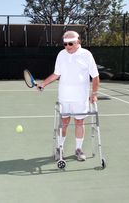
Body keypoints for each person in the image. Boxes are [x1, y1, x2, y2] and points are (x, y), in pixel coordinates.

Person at [39, 31, 99, 161]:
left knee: (79, 122)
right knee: (64, 122)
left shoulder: (86, 55)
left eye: (70, 43)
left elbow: (95, 76)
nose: (67, 46)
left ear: (78, 42)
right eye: (65, 44)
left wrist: (94, 93)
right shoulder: (61, 54)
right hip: (64, 97)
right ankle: (60, 148)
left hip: (80, 98)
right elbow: (56, 74)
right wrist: (43, 83)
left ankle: (78, 149)